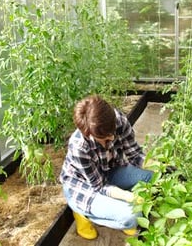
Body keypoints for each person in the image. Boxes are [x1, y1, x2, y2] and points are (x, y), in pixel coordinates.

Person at [59, 95, 153, 239]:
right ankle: (82, 214)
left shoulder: (118, 120)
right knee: (133, 216)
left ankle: (119, 211)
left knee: (150, 178)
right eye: (104, 138)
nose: (111, 139)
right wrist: (128, 196)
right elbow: (99, 186)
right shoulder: (79, 146)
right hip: (84, 186)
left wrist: (158, 165)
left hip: (109, 171)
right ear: (89, 134)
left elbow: (135, 155)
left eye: (112, 133)